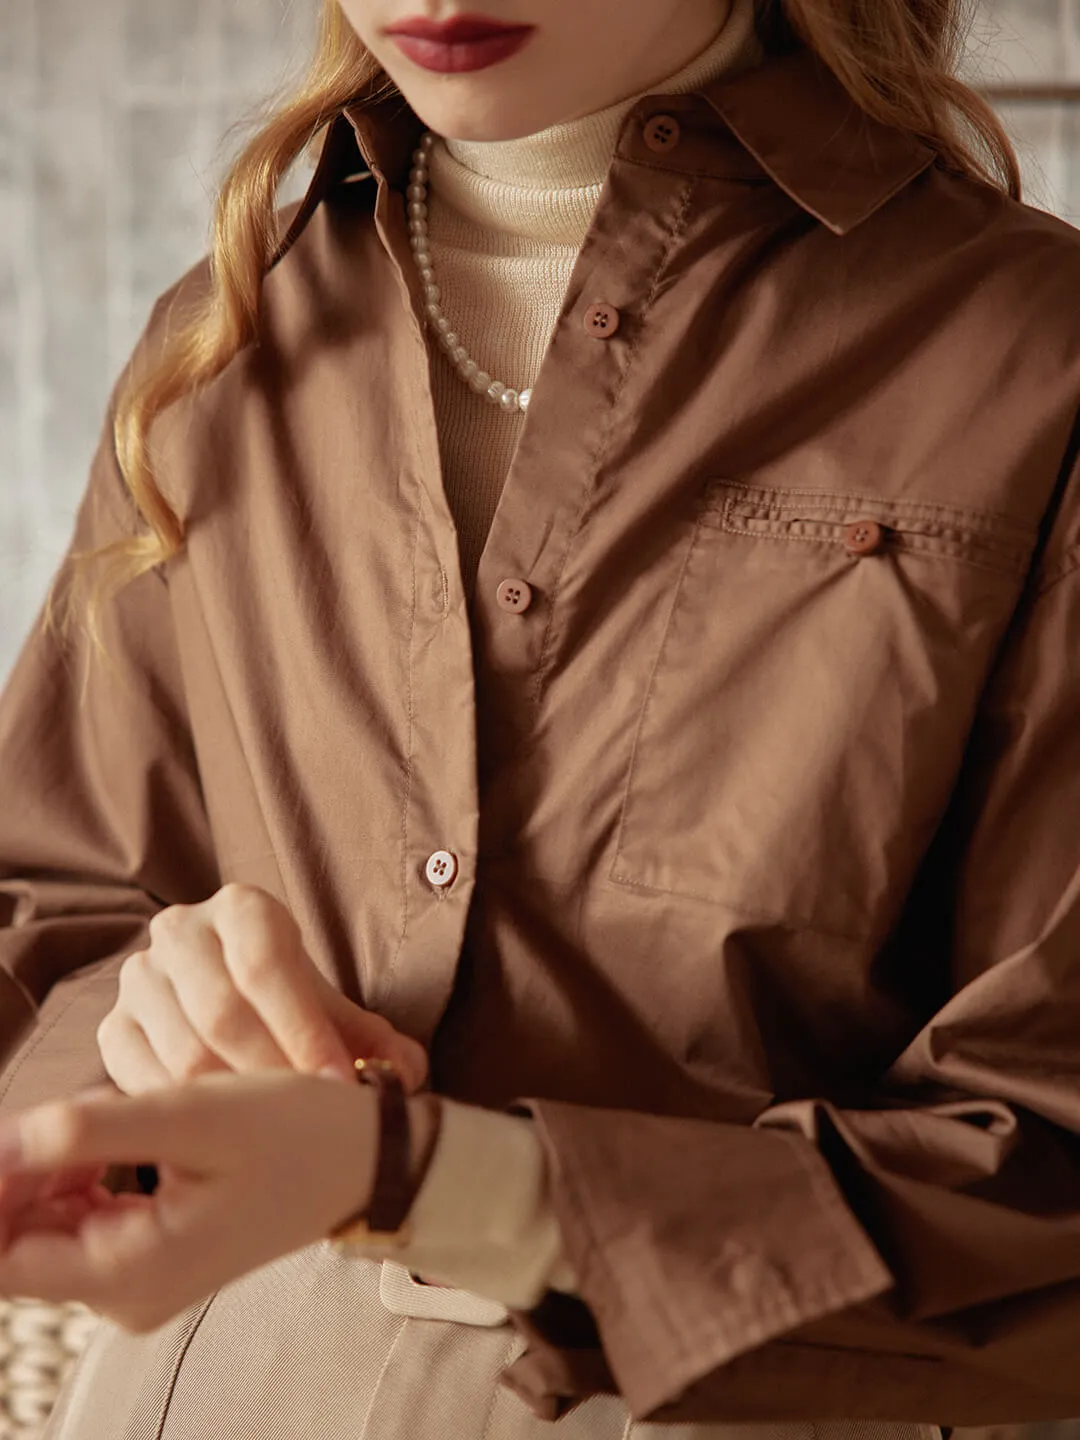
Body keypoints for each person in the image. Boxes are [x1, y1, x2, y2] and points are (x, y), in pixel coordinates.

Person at [1, 0, 1080, 1434]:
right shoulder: (223, 337)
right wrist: (151, 1010)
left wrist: (444, 1182)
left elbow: (1048, 1159)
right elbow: (47, 913)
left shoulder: (1031, 358)